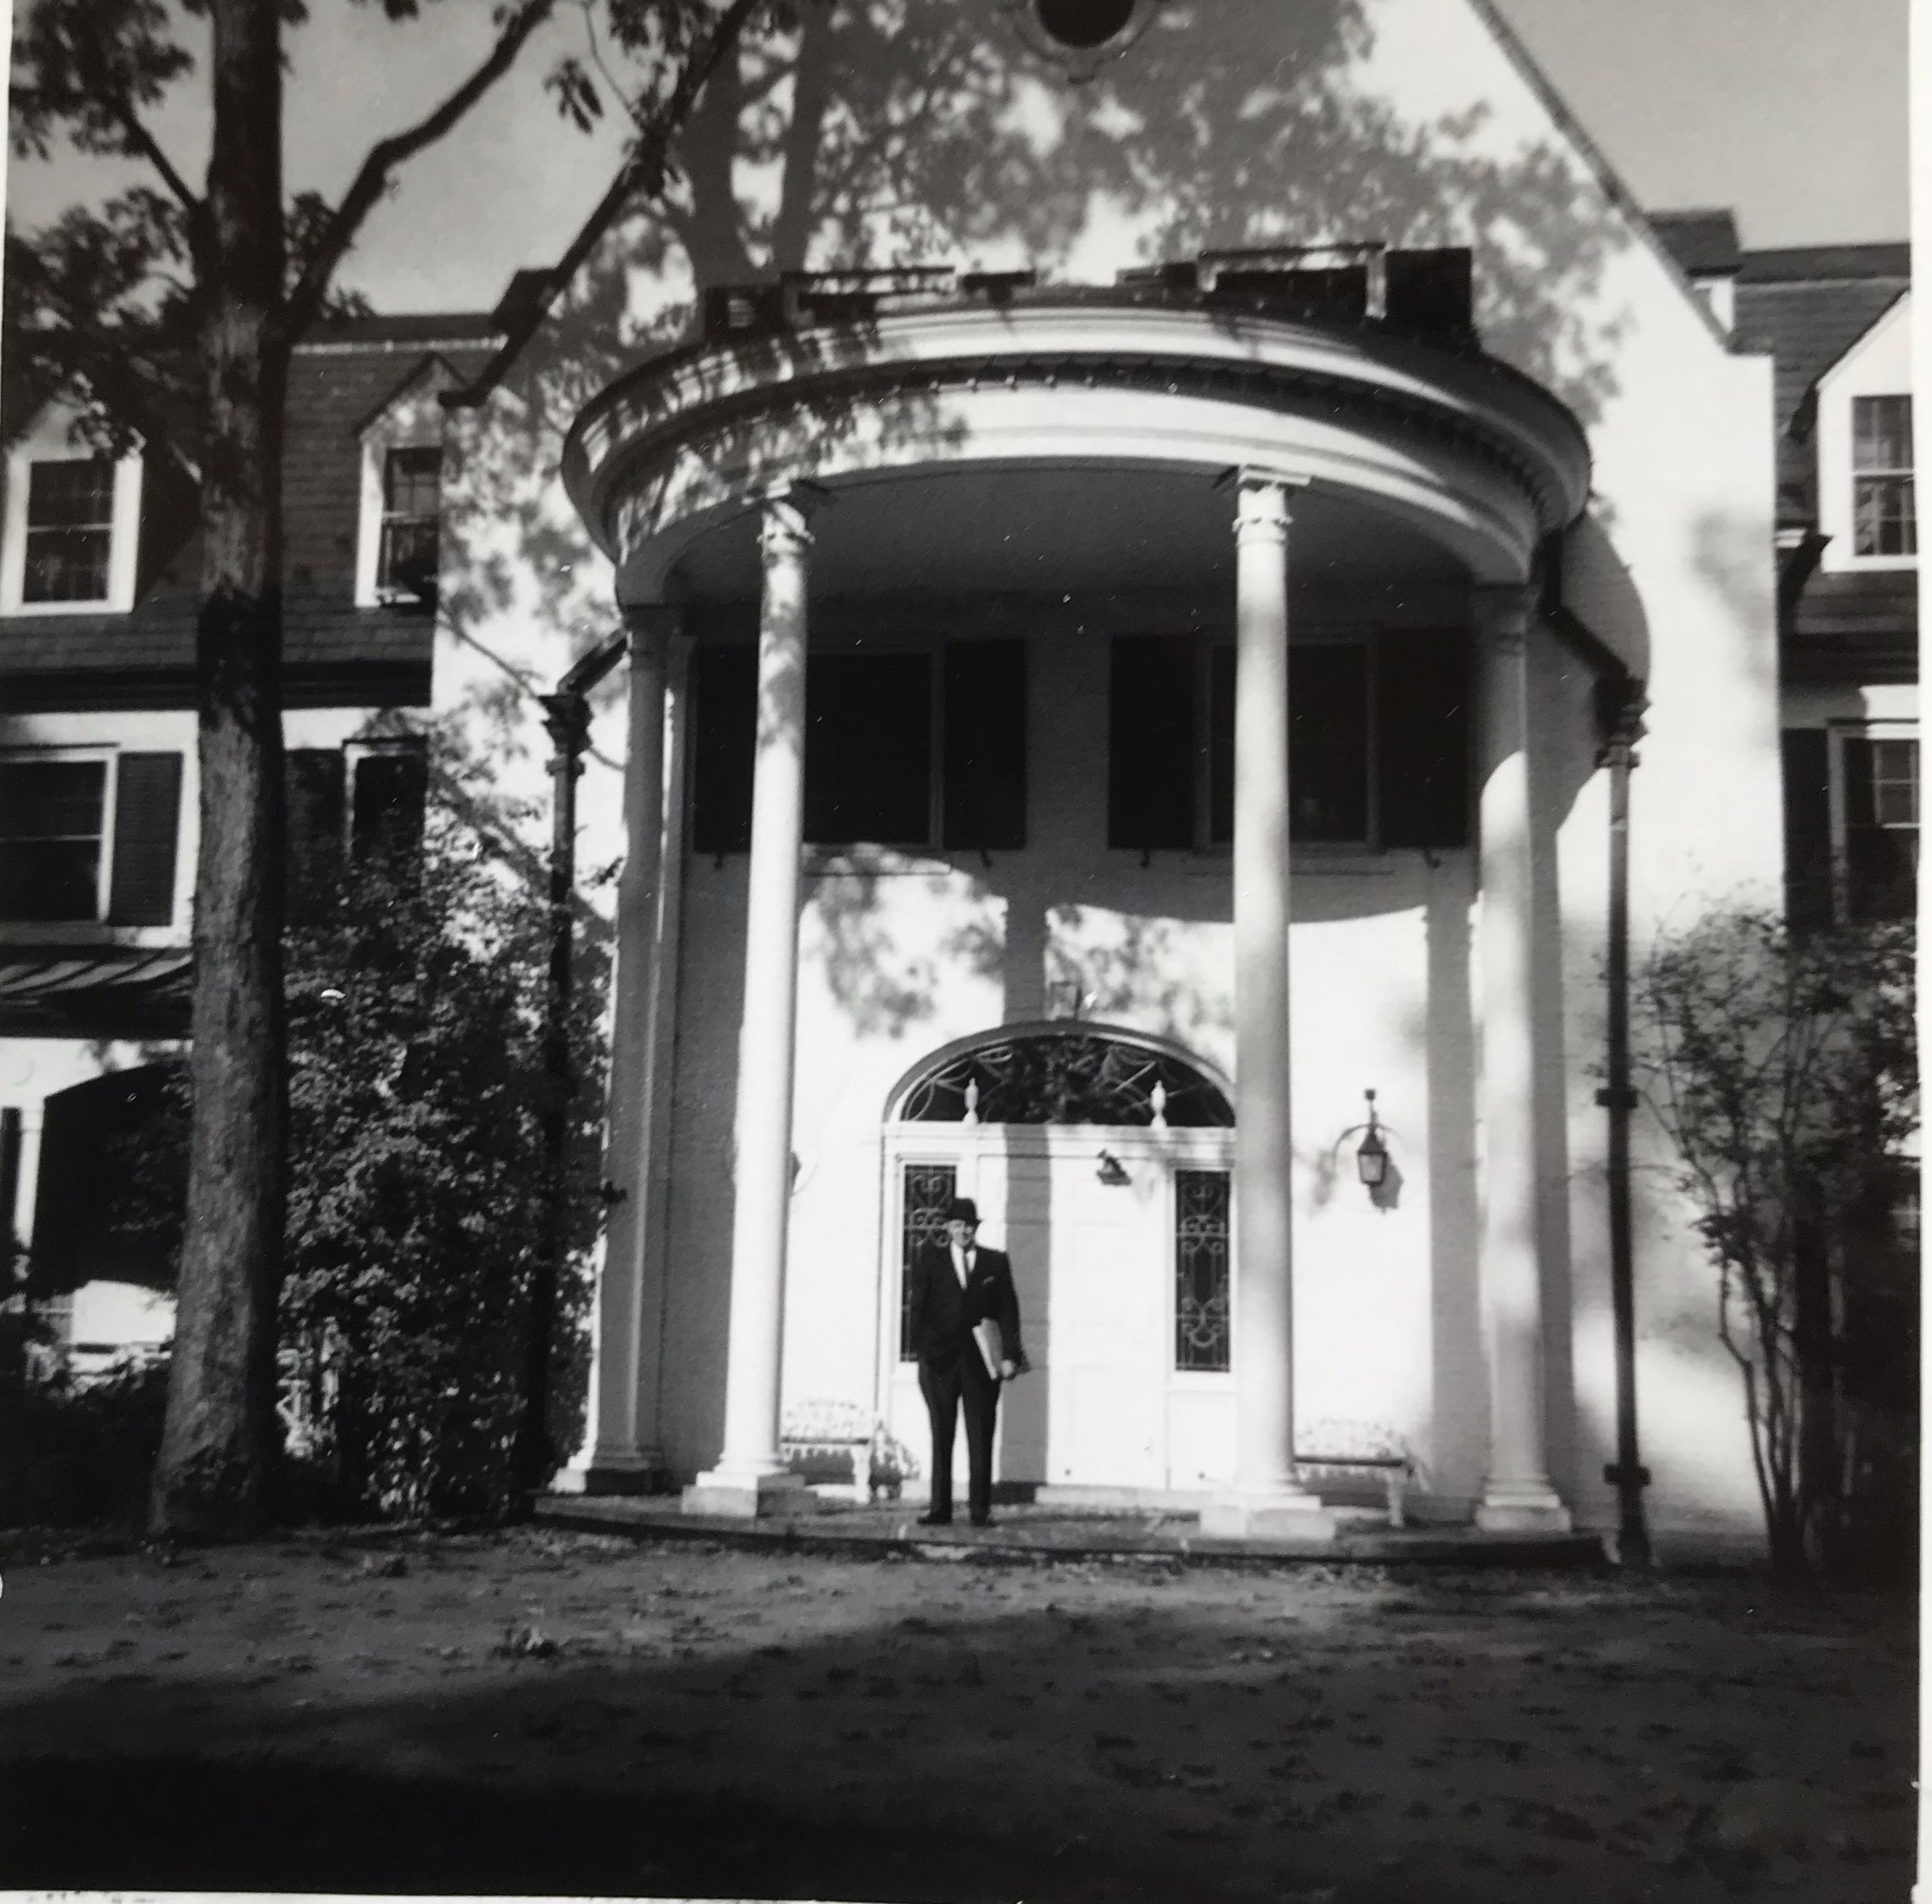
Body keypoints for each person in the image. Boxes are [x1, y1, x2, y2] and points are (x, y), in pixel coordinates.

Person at [906, 1195, 1027, 1527]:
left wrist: (1010, 1356)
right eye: (958, 1225)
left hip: (981, 1364)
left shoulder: (995, 1263)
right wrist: (926, 1353)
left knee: (981, 1434)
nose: (964, 1231)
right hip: (940, 1364)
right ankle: (940, 1508)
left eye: (969, 1226)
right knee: (941, 1434)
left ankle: (979, 1511)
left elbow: (1008, 1312)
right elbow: (918, 1311)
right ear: (948, 1227)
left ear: (976, 1228)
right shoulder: (930, 1260)